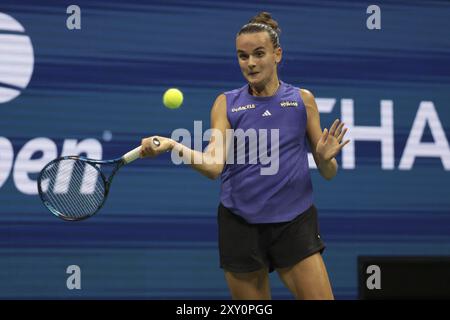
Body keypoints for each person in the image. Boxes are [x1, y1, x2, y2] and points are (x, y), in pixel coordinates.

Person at [140, 12, 350, 300]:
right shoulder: (226, 103)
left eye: (259, 54)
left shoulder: (303, 101)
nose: (250, 63)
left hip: (294, 222)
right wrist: (172, 145)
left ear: (277, 54)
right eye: (242, 56)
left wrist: (325, 160)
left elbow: (329, 172)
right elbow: (214, 166)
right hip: (240, 224)